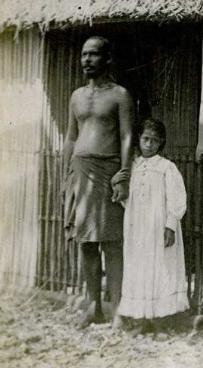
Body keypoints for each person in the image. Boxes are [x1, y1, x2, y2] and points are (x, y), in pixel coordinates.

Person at [63, 36, 134, 328]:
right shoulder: (76, 96)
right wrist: (66, 174)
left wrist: (125, 173)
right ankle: (94, 307)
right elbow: (70, 136)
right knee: (86, 243)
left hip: (108, 172)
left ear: (107, 60)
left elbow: (127, 136)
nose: (86, 60)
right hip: (80, 171)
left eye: (93, 55)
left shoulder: (120, 95)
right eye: (83, 55)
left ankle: (116, 306)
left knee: (112, 242)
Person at [117, 118, 189, 328]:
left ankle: (160, 319)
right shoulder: (131, 167)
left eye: (154, 141)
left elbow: (176, 198)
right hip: (137, 228)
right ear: (138, 139)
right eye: (145, 139)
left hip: (158, 228)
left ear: (161, 143)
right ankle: (141, 318)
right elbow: (125, 197)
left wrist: (170, 225)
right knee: (138, 268)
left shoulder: (167, 167)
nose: (149, 144)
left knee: (160, 268)